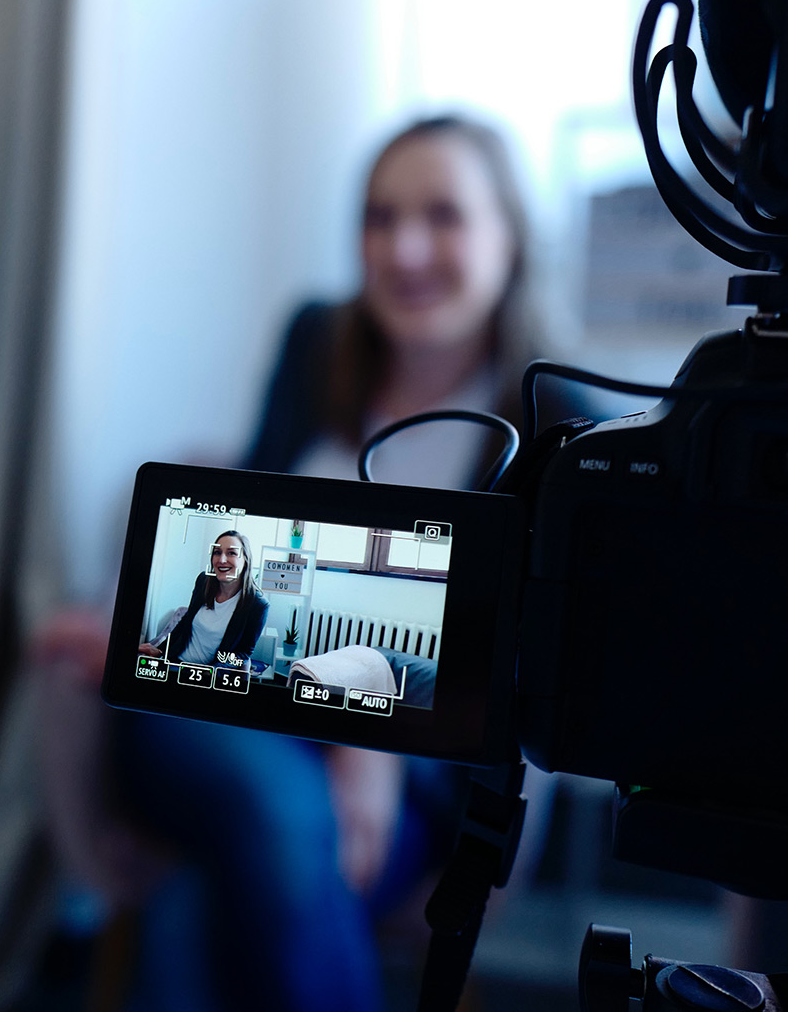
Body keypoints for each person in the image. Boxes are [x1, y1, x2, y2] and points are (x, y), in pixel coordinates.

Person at [113, 114, 557, 1012]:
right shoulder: (317, 342)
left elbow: (535, 677)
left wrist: (374, 735)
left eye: (443, 215)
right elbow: (233, 536)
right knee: (274, 812)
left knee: (204, 902)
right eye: (379, 217)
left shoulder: (557, 416)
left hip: (411, 783)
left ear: (510, 237)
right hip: (225, 715)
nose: (404, 247)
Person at [141, 531, 269, 668]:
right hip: (175, 661)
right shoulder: (203, 581)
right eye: (217, 552)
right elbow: (186, 621)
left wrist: (213, 672)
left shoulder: (257, 605)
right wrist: (160, 650)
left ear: (245, 560)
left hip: (207, 673)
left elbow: (243, 653)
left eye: (231, 553)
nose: (222, 560)